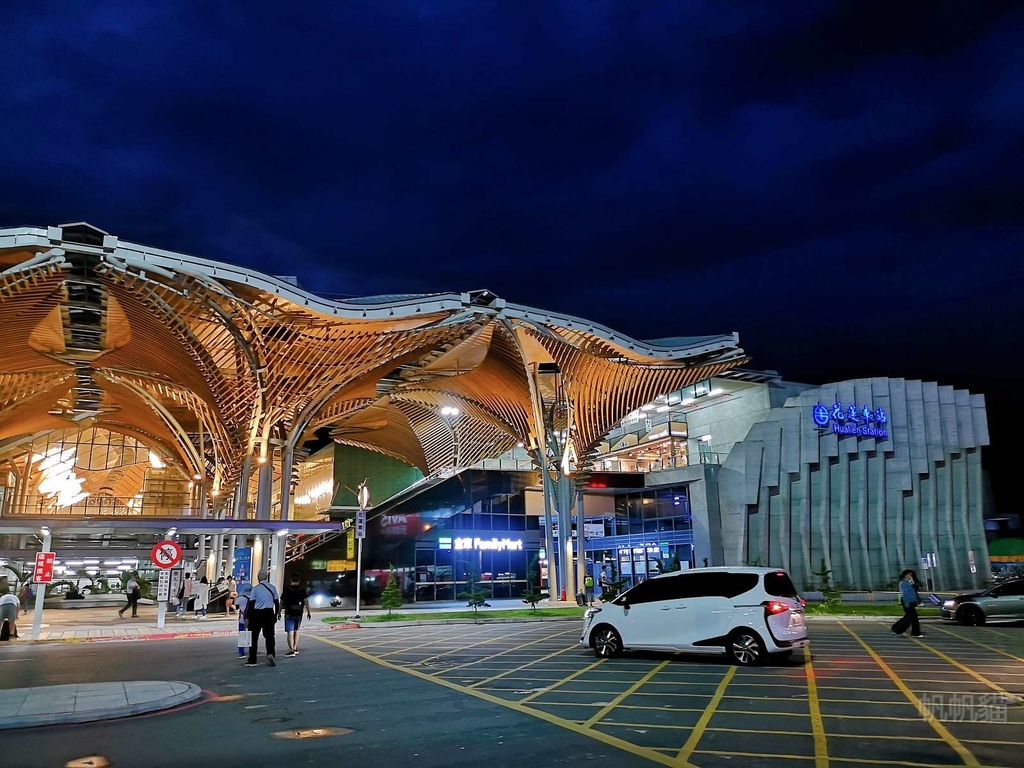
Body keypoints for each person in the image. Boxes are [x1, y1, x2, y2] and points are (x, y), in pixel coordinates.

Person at [246, 569, 280, 668]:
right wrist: (276, 614)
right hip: (269, 613)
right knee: (270, 636)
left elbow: (251, 605)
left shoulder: (255, 589)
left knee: (254, 637)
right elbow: (277, 603)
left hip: (257, 615)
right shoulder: (272, 588)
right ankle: (270, 654)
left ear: (259, 577)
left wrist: (248, 618)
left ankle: (252, 659)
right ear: (266, 577)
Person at [281, 573, 311, 657]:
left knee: (290, 631)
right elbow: (306, 601)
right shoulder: (302, 590)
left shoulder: (287, 590)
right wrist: (308, 612)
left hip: (289, 613)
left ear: (291, 580)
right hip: (299, 613)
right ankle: (295, 647)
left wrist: (279, 612)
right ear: (299, 580)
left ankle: (291, 650)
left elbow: (282, 601)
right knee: (296, 630)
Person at [891, 569, 925, 638]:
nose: (911, 576)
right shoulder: (903, 583)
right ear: (905, 575)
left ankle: (914, 632)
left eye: (911, 575)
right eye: (909, 575)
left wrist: (918, 601)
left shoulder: (911, 582)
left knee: (912, 617)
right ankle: (897, 629)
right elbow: (905, 594)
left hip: (911, 601)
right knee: (910, 617)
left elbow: (915, 592)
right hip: (907, 601)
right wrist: (907, 603)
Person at [235, 582, 252, 658]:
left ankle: (242, 652)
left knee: (242, 634)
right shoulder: (253, 597)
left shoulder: (240, 598)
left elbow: (236, 607)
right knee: (252, 634)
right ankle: (252, 650)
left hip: (242, 618)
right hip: (252, 618)